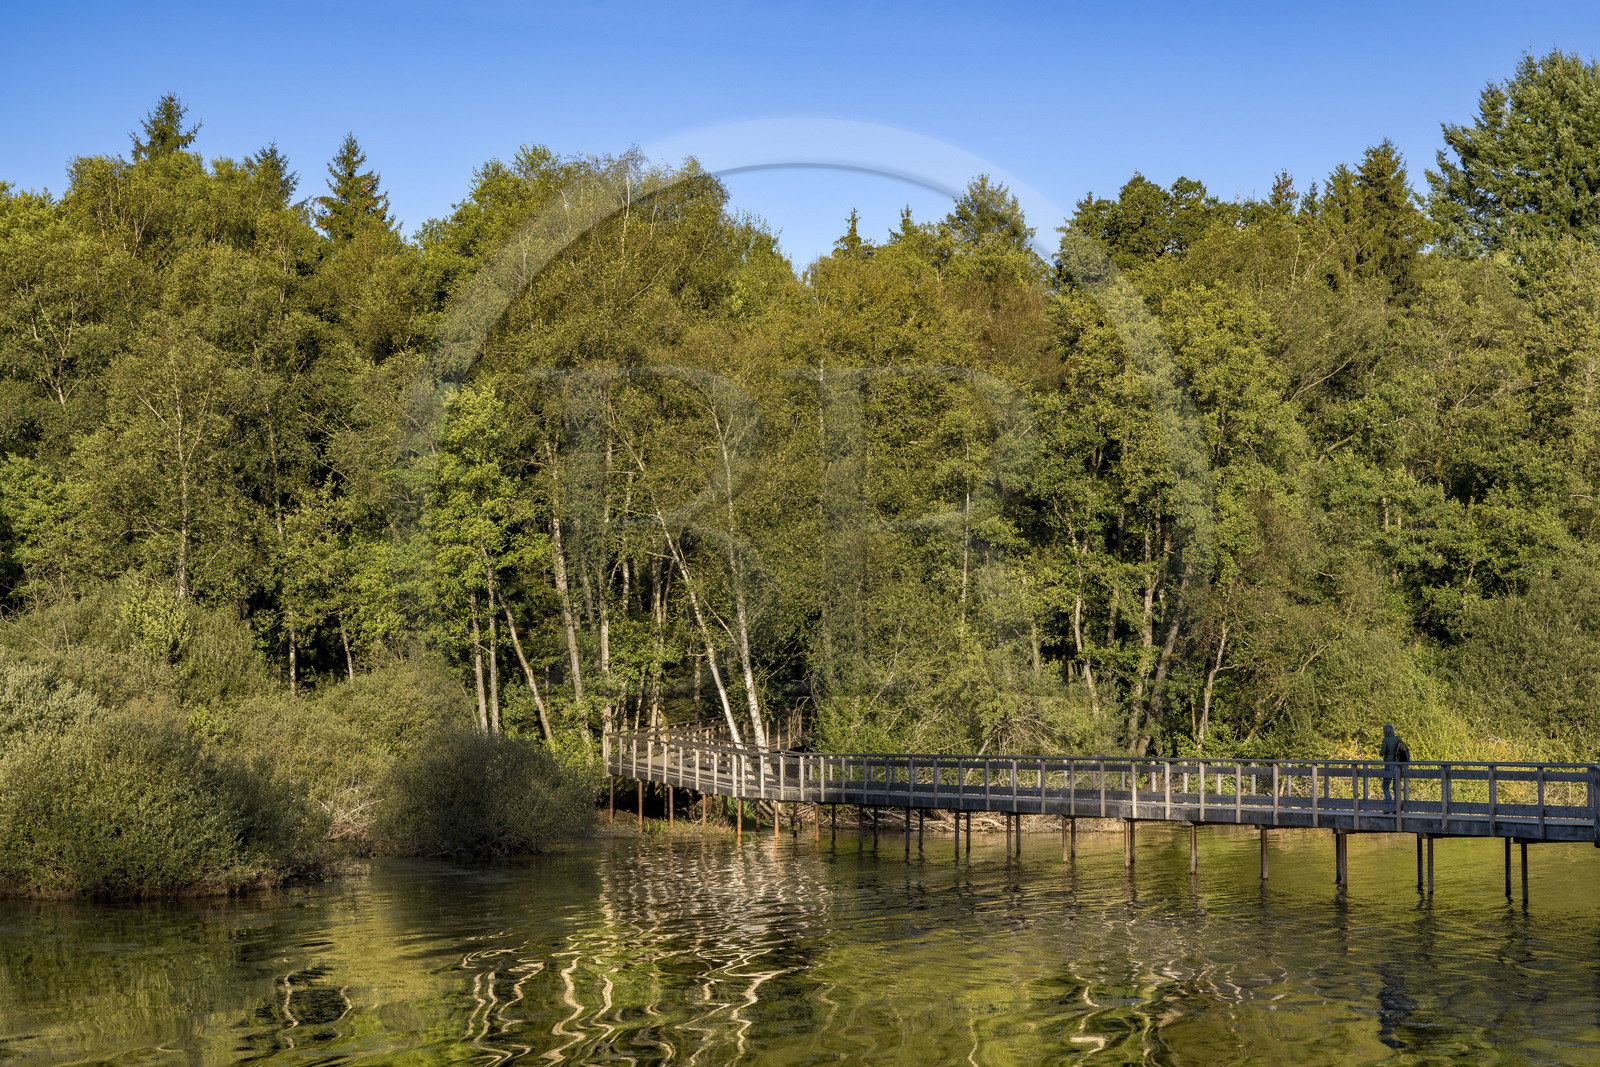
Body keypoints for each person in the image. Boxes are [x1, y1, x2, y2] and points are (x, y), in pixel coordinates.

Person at [1379, 723, 1402, 810]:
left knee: (1385, 786)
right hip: (1397, 766)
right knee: (1396, 787)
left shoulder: (1386, 740)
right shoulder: (1397, 739)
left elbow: (1382, 753)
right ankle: (1397, 808)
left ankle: (1389, 807)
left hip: (1389, 765)